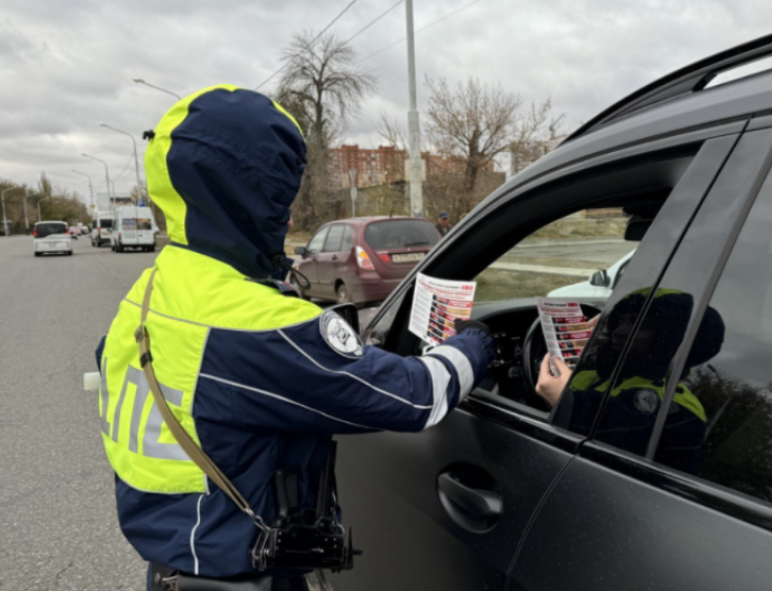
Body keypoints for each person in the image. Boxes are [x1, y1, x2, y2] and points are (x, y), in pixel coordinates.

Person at [95, 85, 494, 590]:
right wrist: (476, 343)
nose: (286, 214)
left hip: (172, 568)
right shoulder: (261, 324)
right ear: (246, 200)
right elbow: (415, 397)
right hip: (246, 576)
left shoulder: (151, 290)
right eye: (278, 195)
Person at [535, 289, 724, 474]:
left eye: (640, 325)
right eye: (621, 321)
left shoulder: (679, 406)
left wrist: (569, 402)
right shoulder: (596, 375)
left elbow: (619, 428)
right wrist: (569, 343)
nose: (618, 331)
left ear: (671, 340)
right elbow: (545, 376)